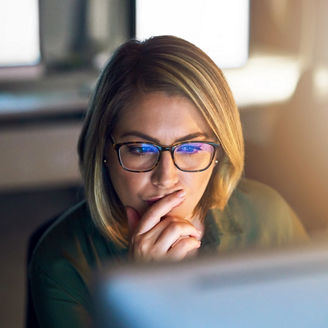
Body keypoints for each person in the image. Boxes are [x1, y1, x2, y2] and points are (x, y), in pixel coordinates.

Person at [28, 35, 308, 327]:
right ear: (104, 153)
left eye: (190, 148)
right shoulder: (63, 263)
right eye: (140, 149)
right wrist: (148, 293)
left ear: (219, 152)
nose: (166, 178)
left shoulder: (269, 219)